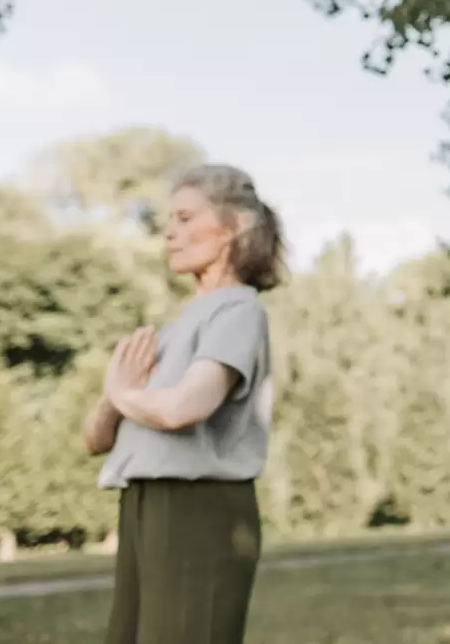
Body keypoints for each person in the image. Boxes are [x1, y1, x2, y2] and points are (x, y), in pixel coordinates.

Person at [82, 164, 282, 644]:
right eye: (168, 220)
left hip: (199, 510)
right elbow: (94, 439)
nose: (169, 232)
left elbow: (184, 408)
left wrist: (123, 393)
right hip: (142, 504)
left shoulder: (239, 312)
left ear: (234, 227)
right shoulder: (176, 328)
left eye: (186, 218)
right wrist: (117, 396)